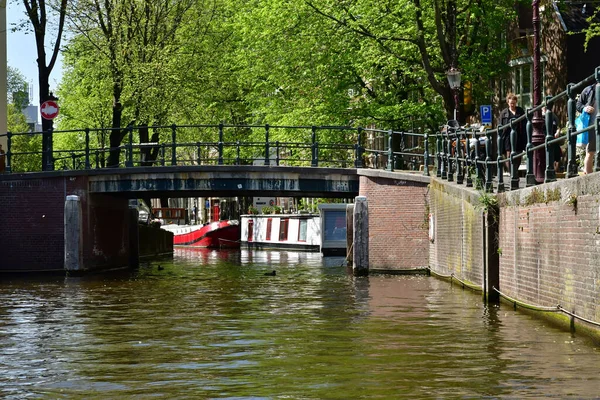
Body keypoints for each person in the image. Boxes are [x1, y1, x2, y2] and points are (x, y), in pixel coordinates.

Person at [498, 93, 526, 173]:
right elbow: (500, 126)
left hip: (519, 138)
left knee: (518, 156)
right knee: (509, 156)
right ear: (508, 103)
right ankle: (512, 174)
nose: (512, 105)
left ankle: (515, 171)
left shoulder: (520, 111)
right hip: (507, 138)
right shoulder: (504, 113)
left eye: (514, 103)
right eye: (511, 103)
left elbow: (524, 124)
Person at [576, 83, 597, 174]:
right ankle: (589, 177)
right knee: (590, 152)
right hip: (592, 125)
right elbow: (578, 104)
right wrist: (585, 108)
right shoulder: (589, 90)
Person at [542, 106, 561, 172]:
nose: (545, 109)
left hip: (553, 137)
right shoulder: (541, 117)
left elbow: (558, 126)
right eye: (544, 108)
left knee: (556, 154)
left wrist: (558, 132)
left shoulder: (553, 116)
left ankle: (555, 169)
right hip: (544, 138)